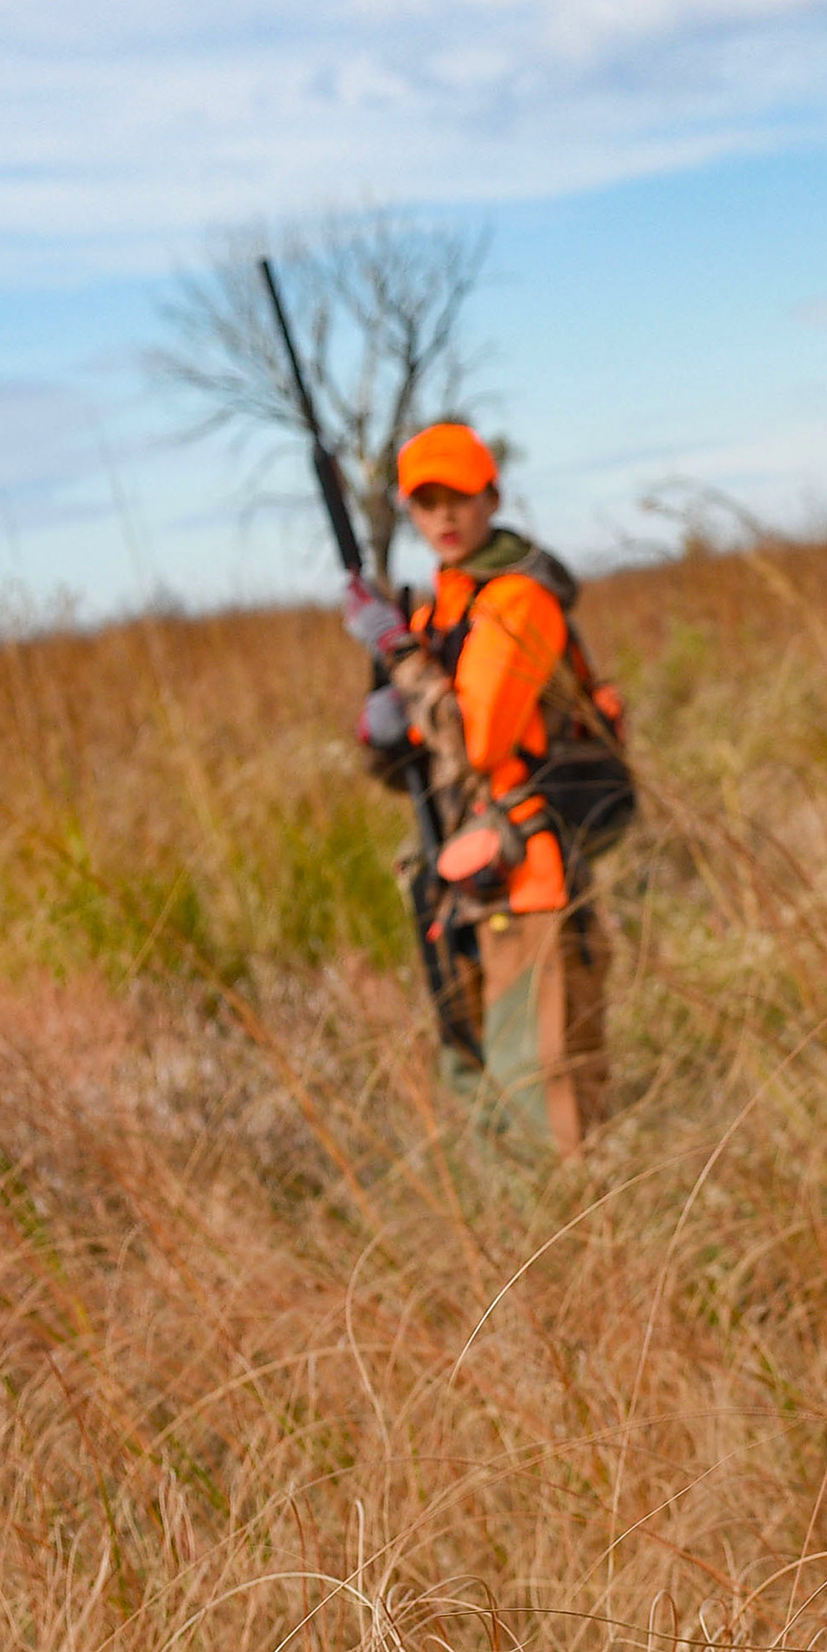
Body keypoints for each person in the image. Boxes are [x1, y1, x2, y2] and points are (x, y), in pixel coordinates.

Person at [340, 421, 632, 1159]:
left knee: (544, 1097)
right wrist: (384, 731)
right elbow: (424, 762)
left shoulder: (515, 599)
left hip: (526, 878)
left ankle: (579, 1256)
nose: (444, 517)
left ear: (493, 496)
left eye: (459, 498)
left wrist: (399, 656)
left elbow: (477, 743)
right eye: (425, 502)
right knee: (479, 1083)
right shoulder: (444, 605)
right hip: (460, 879)